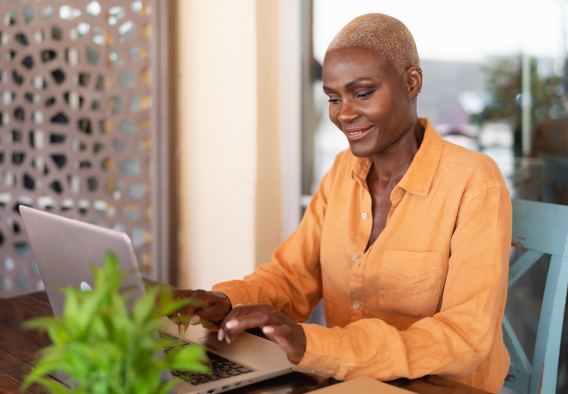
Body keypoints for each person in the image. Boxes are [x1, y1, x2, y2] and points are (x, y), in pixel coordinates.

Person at [174, 14, 511, 393]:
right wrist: (224, 301)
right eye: (333, 98)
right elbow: (292, 276)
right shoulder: (342, 171)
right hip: (347, 381)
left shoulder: (475, 181)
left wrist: (313, 344)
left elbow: (463, 337)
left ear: (412, 82)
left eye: (363, 93)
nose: (344, 114)